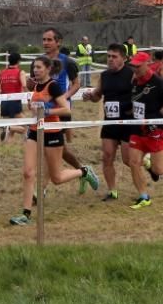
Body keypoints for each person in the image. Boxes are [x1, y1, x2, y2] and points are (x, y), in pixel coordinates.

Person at [11, 55, 99, 226]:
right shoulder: (36, 86)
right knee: (28, 172)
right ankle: (25, 214)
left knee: (57, 178)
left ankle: (84, 171)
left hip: (52, 132)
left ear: (48, 69)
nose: (35, 70)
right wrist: (33, 108)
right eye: (34, 67)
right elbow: (35, 108)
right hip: (35, 132)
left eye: (39, 67)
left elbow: (66, 110)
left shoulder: (54, 87)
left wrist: (47, 112)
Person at [81, 44, 133, 202]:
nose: (110, 59)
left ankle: (148, 163)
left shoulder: (131, 74)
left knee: (128, 160)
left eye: (114, 56)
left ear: (123, 58)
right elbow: (98, 95)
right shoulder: (104, 76)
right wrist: (90, 96)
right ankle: (112, 191)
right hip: (110, 121)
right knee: (107, 157)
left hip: (128, 122)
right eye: (108, 56)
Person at [32, 28, 83, 174]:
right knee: (56, 149)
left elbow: (76, 84)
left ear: (58, 42)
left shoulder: (67, 62)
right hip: (42, 111)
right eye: (44, 40)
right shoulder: (39, 62)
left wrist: (63, 97)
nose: (45, 43)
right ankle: (83, 171)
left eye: (49, 40)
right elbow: (34, 85)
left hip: (60, 111)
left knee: (55, 149)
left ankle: (43, 189)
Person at [126, 52, 163, 209]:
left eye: (138, 66)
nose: (135, 68)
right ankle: (143, 196)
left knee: (158, 169)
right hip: (137, 128)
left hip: (155, 130)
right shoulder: (134, 80)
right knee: (133, 162)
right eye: (133, 65)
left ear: (147, 63)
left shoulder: (158, 83)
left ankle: (153, 167)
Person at [0, 52, 28, 142]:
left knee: (10, 133)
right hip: (15, 103)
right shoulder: (20, 72)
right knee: (27, 127)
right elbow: (24, 86)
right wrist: (30, 98)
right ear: (18, 61)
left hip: (4, 103)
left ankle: (6, 145)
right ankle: (9, 128)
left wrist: (4, 93)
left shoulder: (1, 72)